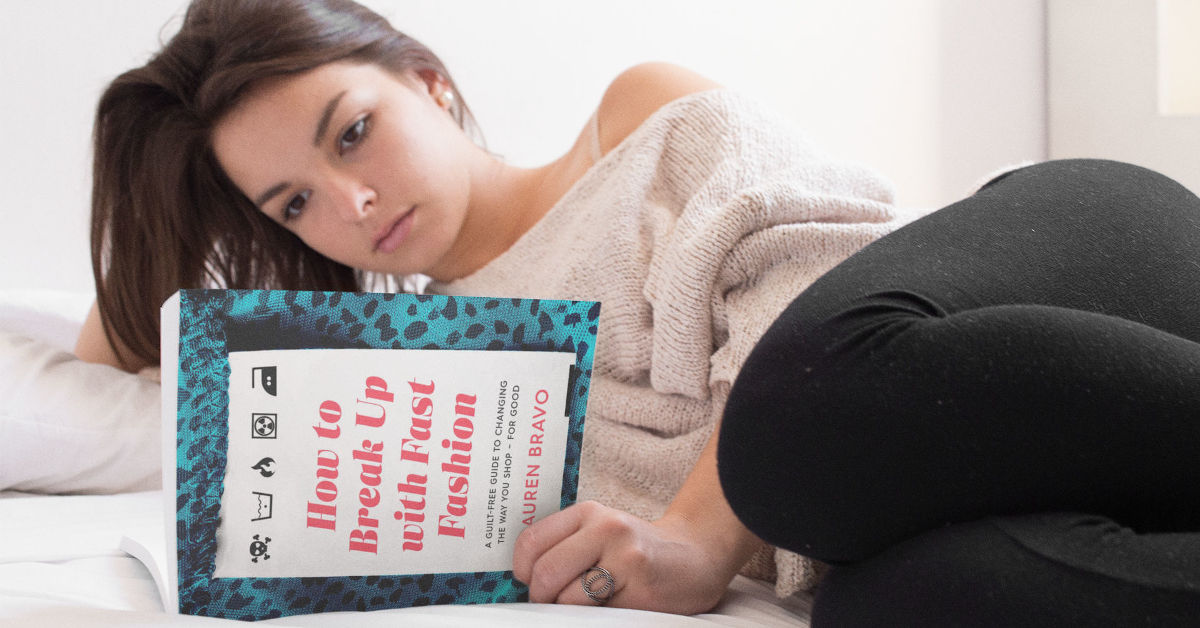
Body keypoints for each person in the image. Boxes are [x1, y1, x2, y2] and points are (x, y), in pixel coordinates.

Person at [74, 0, 911, 614]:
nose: (352, 203)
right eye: (294, 204)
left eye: (354, 132)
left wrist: (701, 533)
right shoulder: (408, 369)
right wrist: (168, 193)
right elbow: (107, 348)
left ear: (429, 83)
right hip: (880, 543)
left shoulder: (634, 123)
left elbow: (834, 279)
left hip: (926, 366)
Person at [718, 158, 1200, 626]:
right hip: (1127, 295)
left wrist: (700, 536)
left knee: (802, 441)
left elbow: (663, 90)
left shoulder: (688, 166)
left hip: (1080, 279)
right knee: (880, 588)